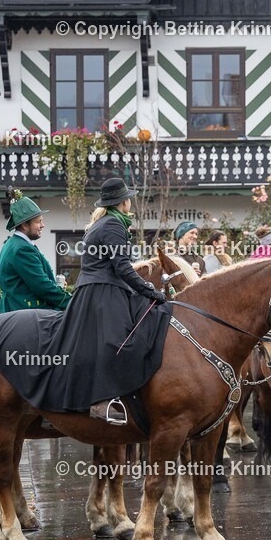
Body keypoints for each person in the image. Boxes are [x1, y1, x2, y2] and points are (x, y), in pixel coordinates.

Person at [76, 178, 168, 423]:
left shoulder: (107, 223)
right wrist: (150, 290)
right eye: (129, 198)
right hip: (103, 291)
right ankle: (100, 401)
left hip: (99, 288)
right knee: (117, 342)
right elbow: (123, 268)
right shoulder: (112, 226)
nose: (131, 201)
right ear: (122, 202)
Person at [0, 195, 70, 314]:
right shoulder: (22, 248)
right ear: (24, 225)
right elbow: (42, 286)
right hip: (22, 313)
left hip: (17, 311)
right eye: (38, 221)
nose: (42, 225)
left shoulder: (16, 244)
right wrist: (72, 301)